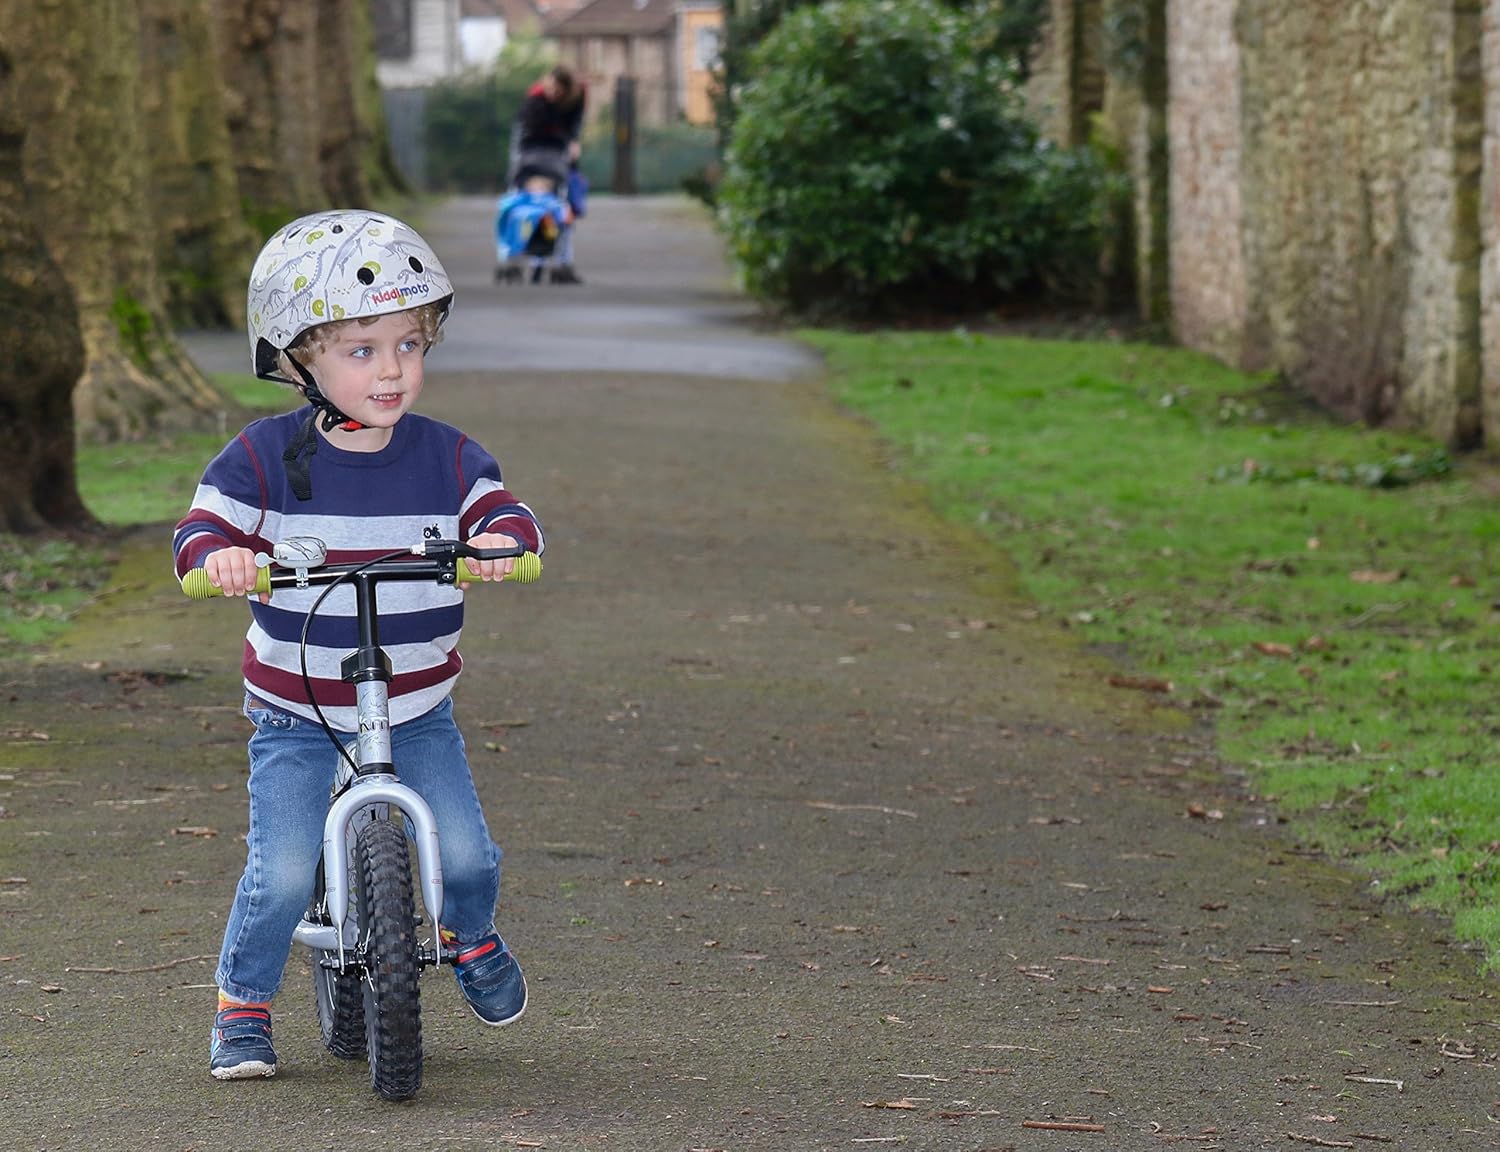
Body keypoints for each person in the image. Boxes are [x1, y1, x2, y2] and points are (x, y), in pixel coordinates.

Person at [173, 209, 544, 1080]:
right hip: (297, 712)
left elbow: (501, 510)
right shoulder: (263, 457)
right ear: (299, 359)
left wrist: (502, 543)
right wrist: (221, 557)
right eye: (361, 350)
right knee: (281, 869)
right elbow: (201, 529)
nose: (391, 370)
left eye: (409, 345)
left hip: (414, 706)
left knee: (467, 855)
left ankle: (468, 934)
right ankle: (243, 1005)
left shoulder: (448, 457)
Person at [511, 64, 587, 284]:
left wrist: (571, 142)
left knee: (561, 212)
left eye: (558, 91)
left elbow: (573, 127)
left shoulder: (576, 98)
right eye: (551, 88)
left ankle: (562, 262)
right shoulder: (536, 100)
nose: (553, 94)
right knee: (537, 210)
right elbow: (527, 132)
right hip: (534, 160)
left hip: (557, 161)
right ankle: (537, 261)